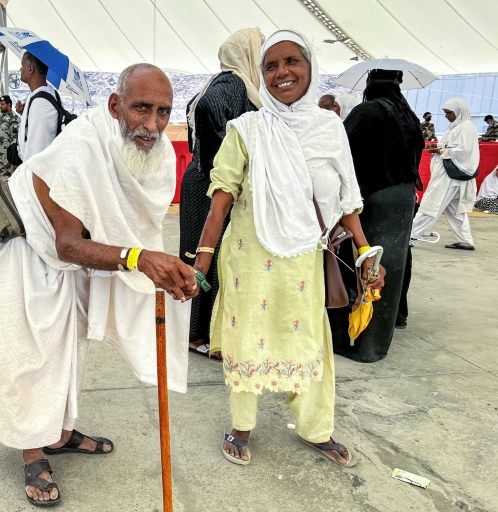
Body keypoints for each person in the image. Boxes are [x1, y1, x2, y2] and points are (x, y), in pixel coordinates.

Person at [0, 64, 196, 507]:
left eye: (163, 112)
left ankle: (58, 432)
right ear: (115, 106)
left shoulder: (157, 154)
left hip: (68, 261)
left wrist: (162, 266)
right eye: (141, 109)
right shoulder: (82, 145)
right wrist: (139, 260)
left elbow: (139, 228)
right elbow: (69, 243)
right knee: (28, 351)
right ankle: (32, 450)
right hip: (24, 248)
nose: (152, 125)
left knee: (67, 347)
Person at [195, 31, 382, 467]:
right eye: (271, 66)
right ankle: (241, 427)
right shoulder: (247, 129)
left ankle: (317, 430)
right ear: (260, 75)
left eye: (291, 61)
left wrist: (365, 252)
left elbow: (347, 200)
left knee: (310, 344)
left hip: (303, 261)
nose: (282, 73)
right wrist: (199, 264)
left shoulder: (329, 128)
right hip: (249, 260)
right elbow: (220, 198)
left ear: (310, 67)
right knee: (249, 341)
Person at [179, 28, 263, 358]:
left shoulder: (218, 81)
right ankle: (201, 336)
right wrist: (217, 163)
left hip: (203, 180)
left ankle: (196, 331)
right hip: (210, 184)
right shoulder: (232, 83)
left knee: (200, 253)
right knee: (209, 255)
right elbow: (207, 110)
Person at [331, 69, 424, 363]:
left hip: (374, 199)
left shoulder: (367, 111)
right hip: (403, 199)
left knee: (366, 267)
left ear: (371, 84)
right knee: (391, 269)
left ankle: (362, 345)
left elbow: (341, 150)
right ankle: (382, 337)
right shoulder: (408, 115)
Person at [411, 98, 479, 250]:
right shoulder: (457, 126)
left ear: (459, 112)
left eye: (449, 113)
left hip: (450, 175)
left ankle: (410, 236)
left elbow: (463, 151)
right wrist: (440, 147)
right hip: (452, 174)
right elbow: (453, 146)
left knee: (431, 205)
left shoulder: (466, 127)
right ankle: (465, 240)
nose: (447, 116)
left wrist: (440, 150)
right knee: (455, 210)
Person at [17, 51, 61, 163]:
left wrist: (26, 177)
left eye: (23, 66)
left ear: (30, 69)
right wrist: (26, 114)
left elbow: (37, 151)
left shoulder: (41, 103)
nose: (20, 69)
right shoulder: (47, 93)